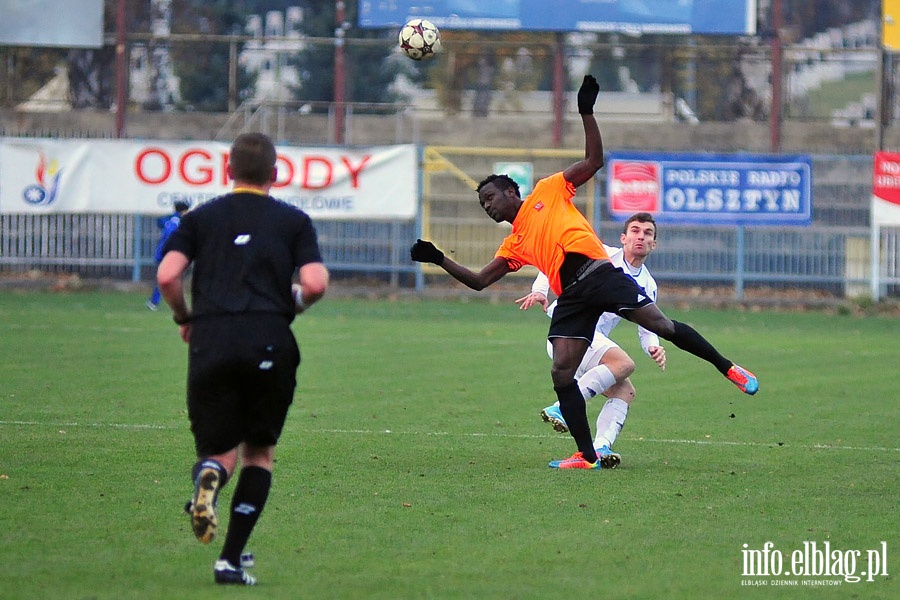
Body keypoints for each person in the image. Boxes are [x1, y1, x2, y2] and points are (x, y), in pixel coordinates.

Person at [410, 74, 758, 471]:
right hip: (571, 296)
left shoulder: (548, 189)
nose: (487, 207)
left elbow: (594, 161)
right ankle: (587, 455)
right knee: (561, 372)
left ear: (512, 192)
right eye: (483, 204)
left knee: (661, 324)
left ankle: (727, 367)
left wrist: (586, 112)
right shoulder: (513, 245)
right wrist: (439, 258)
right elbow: (477, 281)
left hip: (598, 273)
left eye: (490, 198)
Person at [157, 132, 329, 585]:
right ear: (275, 174)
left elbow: (168, 275)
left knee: (218, 450)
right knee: (258, 453)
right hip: (269, 340)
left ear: (228, 171)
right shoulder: (292, 220)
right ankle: (229, 560)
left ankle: (209, 475)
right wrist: (291, 304)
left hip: (211, 338)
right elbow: (314, 283)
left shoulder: (199, 219)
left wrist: (184, 317)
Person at [516, 212, 666, 468]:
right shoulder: (602, 254)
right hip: (569, 332)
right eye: (635, 231)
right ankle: (561, 407)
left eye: (647, 233)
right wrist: (540, 290)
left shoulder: (648, 284)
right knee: (624, 364)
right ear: (623, 237)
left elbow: (647, 326)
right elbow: (556, 257)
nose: (640, 236)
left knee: (624, 390)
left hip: (591, 342)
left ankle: (600, 447)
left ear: (654, 243)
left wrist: (653, 345)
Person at [146, 200, 190, 311]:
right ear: (183, 210)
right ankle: (157, 302)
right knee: (169, 278)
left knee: (167, 278)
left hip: (163, 252)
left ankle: (155, 301)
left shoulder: (169, 219)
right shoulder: (177, 222)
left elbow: (160, 222)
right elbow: (171, 237)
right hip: (168, 253)